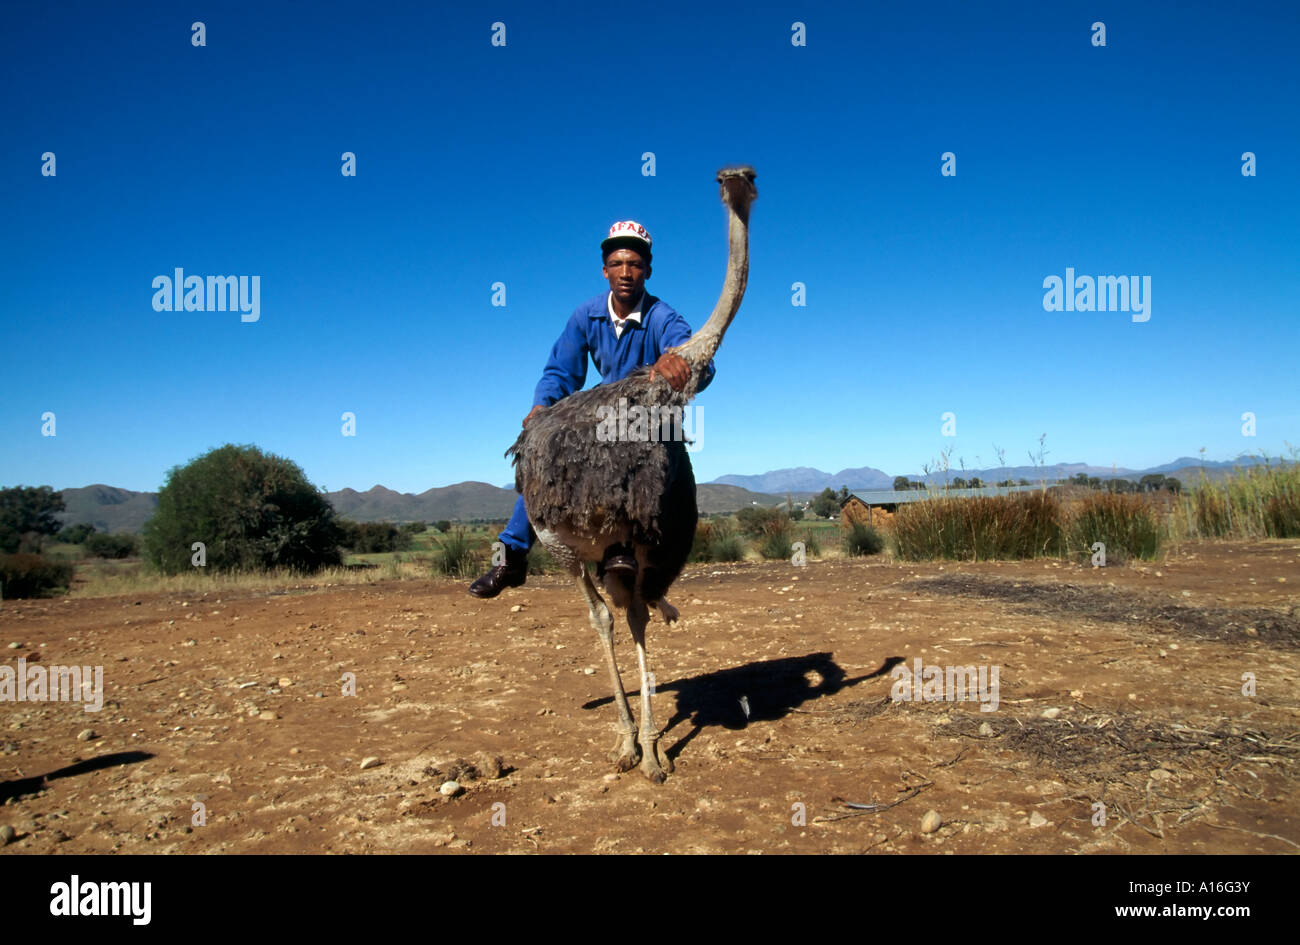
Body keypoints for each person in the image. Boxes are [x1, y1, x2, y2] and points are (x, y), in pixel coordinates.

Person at [468, 220, 715, 598]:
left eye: (634, 264)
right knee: (542, 460)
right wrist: (541, 407)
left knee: (648, 455)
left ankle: (624, 546)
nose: (626, 272)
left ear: (647, 270)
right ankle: (511, 556)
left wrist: (675, 361)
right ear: (605, 270)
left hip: (650, 419)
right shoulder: (587, 315)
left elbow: (698, 359)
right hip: (602, 413)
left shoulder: (662, 317)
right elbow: (560, 371)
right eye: (617, 264)